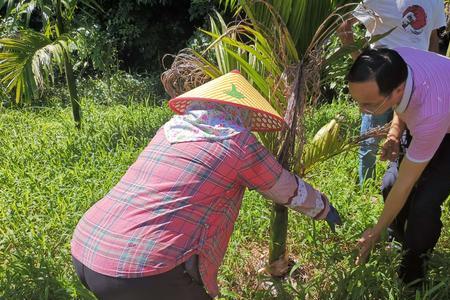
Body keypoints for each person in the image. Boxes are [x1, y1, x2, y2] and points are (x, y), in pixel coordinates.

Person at [70, 70, 342, 299]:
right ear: (240, 113)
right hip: (144, 268)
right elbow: (284, 187)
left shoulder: (169, 131)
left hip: (87, 249)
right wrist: (323, 208)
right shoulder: (237, 141)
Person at [347, 47, 450, 285]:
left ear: (397, 90)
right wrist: (394, 133)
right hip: (430, 117)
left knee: (423, 203)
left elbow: (406, 184)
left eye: (370, 105)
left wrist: (374, 232)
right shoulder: (391, 61)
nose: (363, 110)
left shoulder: (431, 111)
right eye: (358, 101)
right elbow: (403, 103)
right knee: (389, 183)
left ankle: (413, 270)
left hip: (443, 126)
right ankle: (399, 239)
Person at [337, 0, 446, 186]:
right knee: (371, 138)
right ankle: (366, 187)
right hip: (381, 85)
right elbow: (344, 26)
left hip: (415, 85)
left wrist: (432, 72)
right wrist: (361, 62)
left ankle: (400, 184)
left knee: (407, 140)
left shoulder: (433, 1)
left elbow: (433, 38)